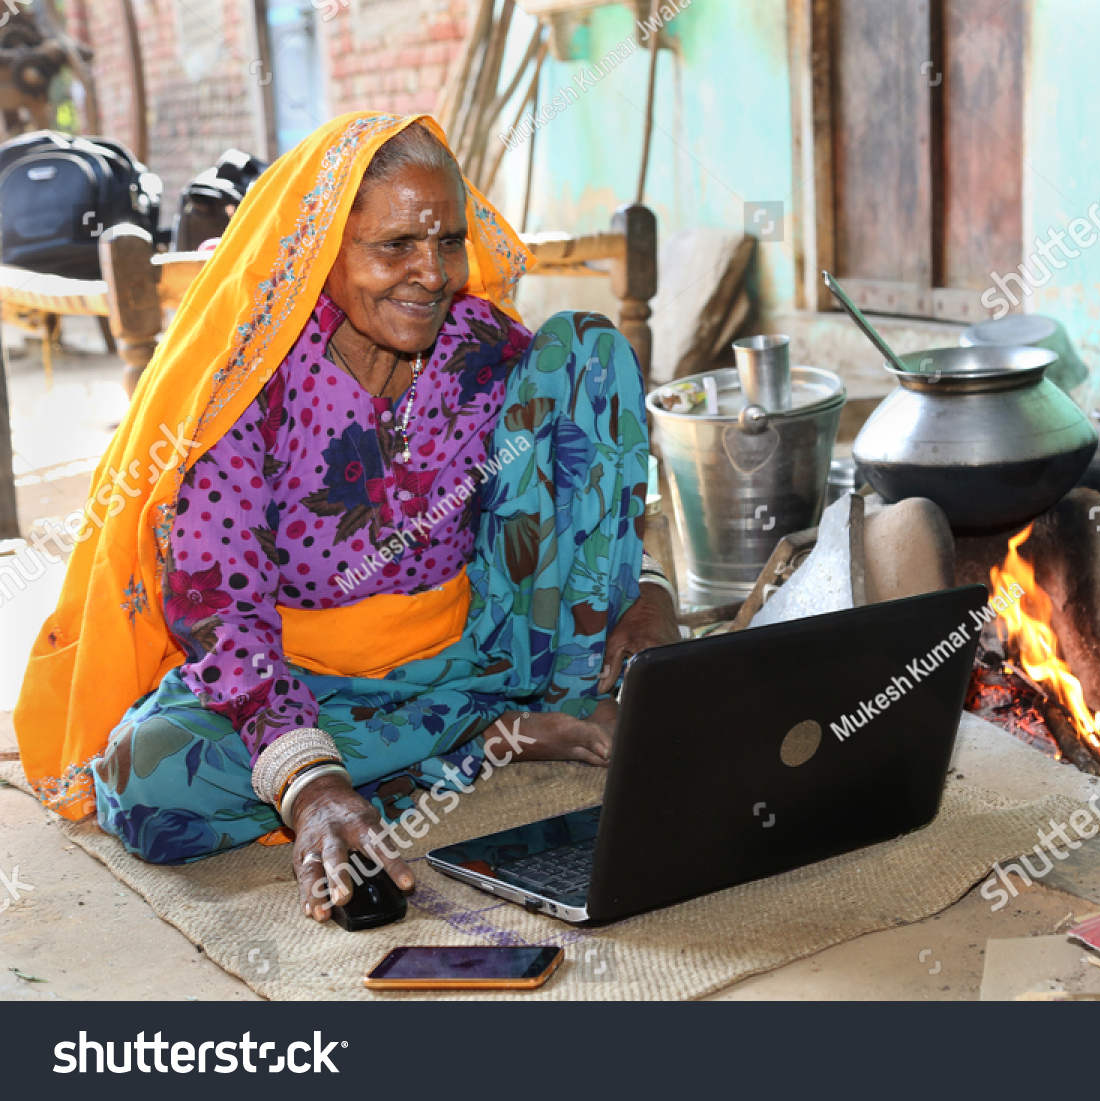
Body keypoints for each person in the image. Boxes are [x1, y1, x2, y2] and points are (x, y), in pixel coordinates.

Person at [13, 112, 679, 921]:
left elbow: (594, 463)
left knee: (587, 348)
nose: (431, 274)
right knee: (147, 778)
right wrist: (313, 785)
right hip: (309, 683)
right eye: (395, 245)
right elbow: (220, 606)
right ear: (327, 245)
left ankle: (500, 714)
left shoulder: (476, 345)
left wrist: (650, 589)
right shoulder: (252, 380)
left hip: (476, 653)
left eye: (448, 242)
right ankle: (489, 737)